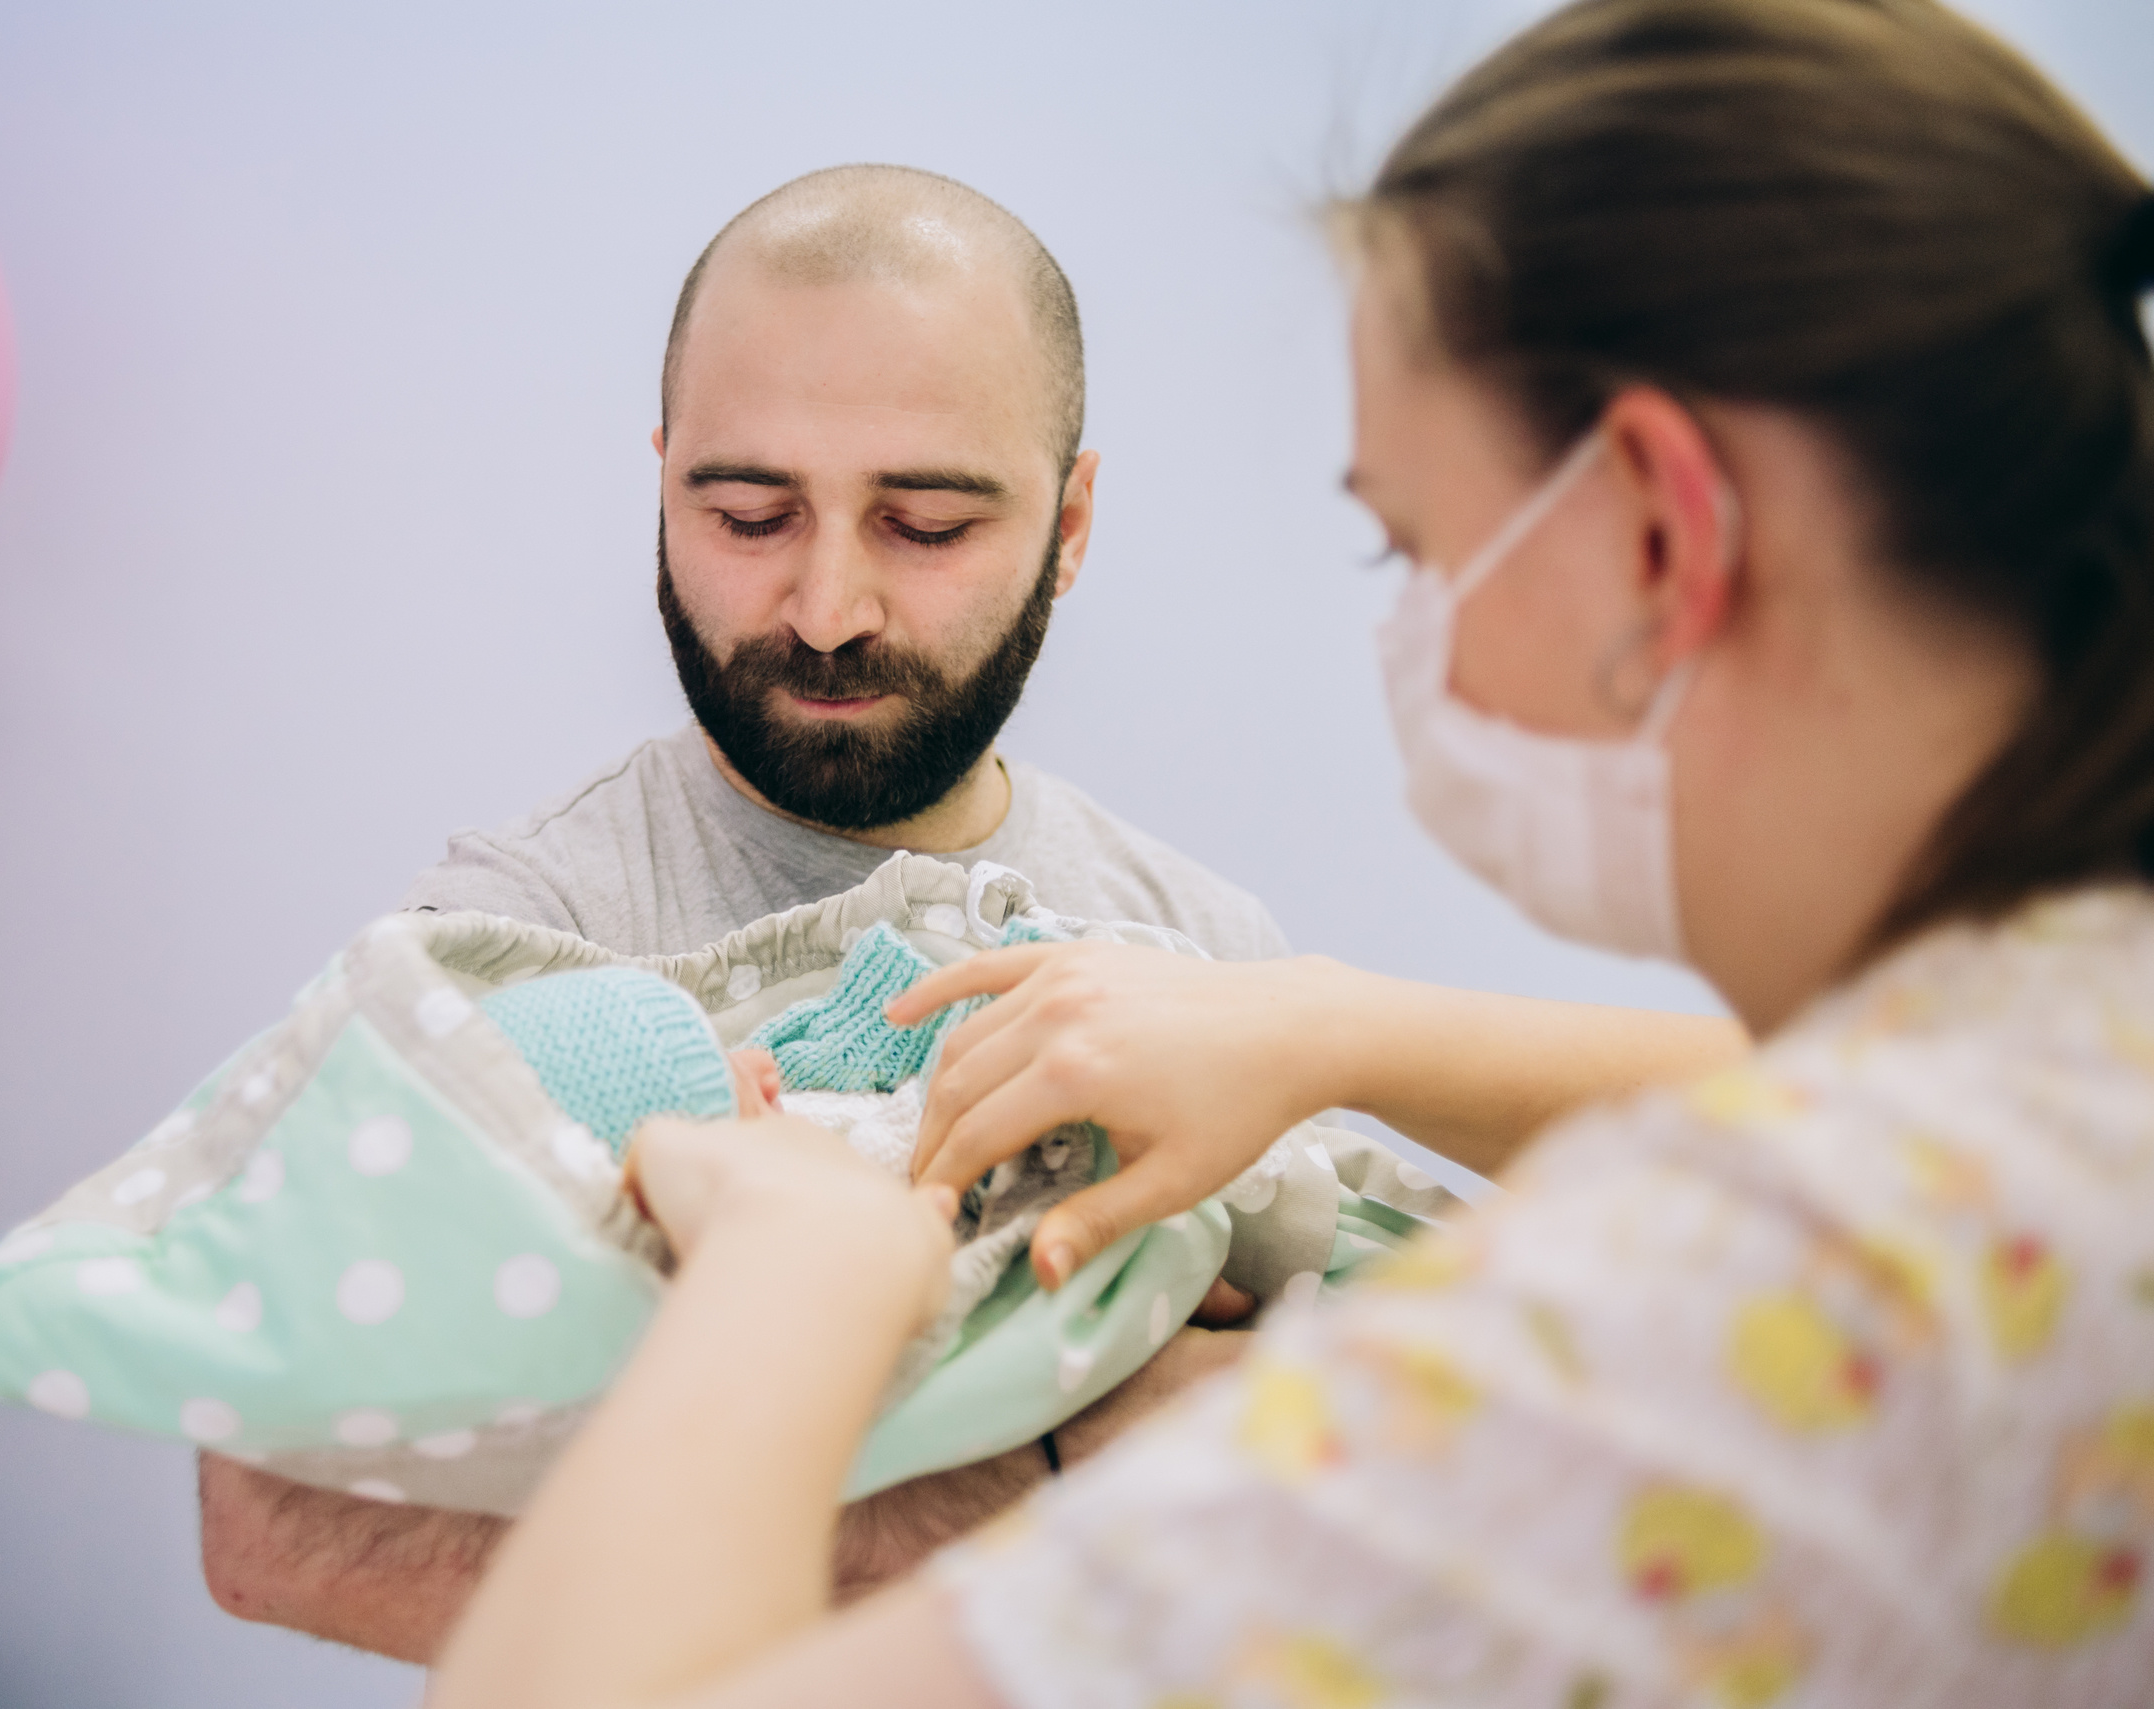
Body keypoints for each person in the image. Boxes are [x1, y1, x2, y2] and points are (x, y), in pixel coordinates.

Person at [416, 1, 2154, 1704]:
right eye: (747, 510)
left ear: (1657, 531)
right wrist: (1337, 1028)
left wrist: (801, 1262)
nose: (829, 600)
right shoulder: (2061, 1082)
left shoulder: (1684, 1313)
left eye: (1414, 546)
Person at [203, 161, 1740, 1659]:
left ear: (1072, 526)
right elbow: (274, 1527)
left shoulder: (1195, 941)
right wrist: (1048, 1492)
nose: (825, 609)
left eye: (927, 527)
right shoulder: (522, 942)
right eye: (746, 514)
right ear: (661, 477)